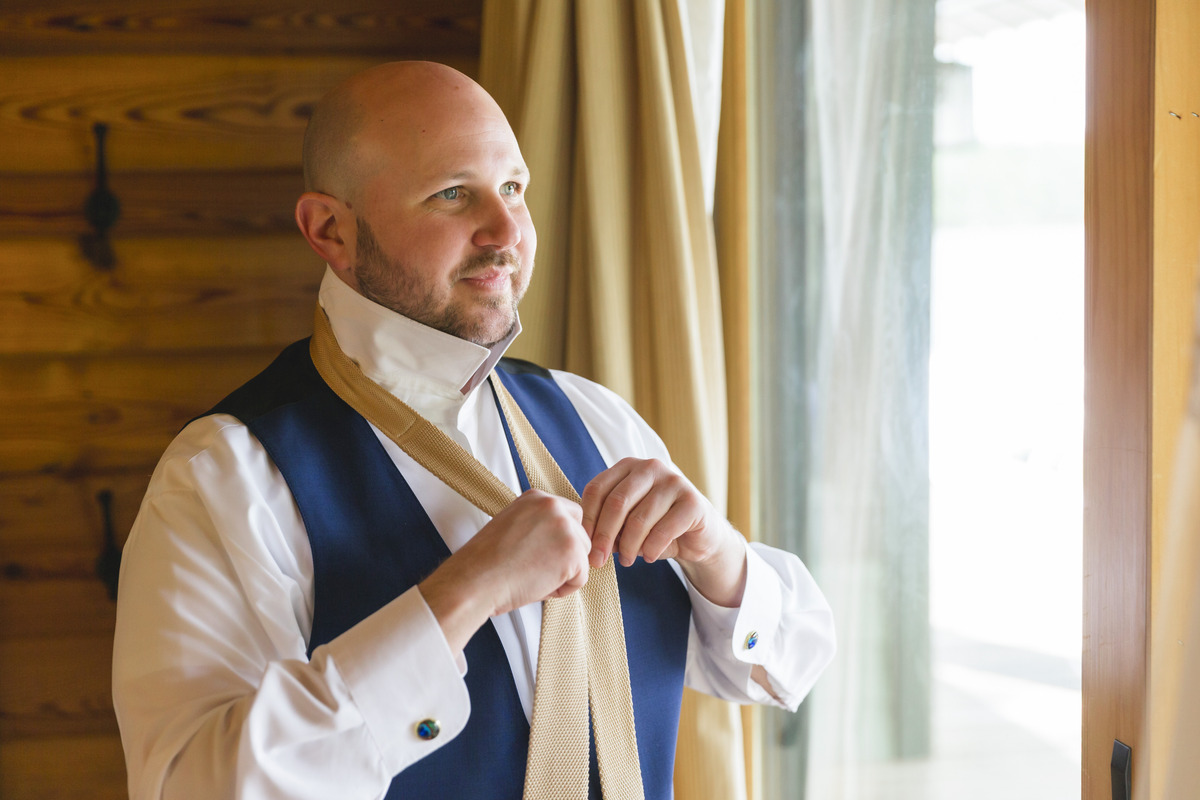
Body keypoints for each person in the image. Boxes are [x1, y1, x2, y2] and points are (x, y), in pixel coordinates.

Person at [112, 61, 835, 800]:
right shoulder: (226, 476)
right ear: (329, 229)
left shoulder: (593, 418)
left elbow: (789, 661)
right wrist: (458, 597)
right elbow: (191, 786)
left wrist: (718, 556)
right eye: (453, 193)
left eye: (514, 188)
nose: (505, 230)